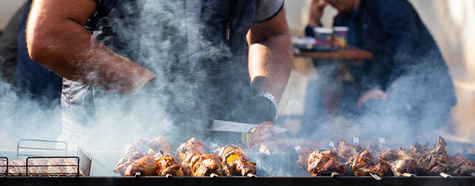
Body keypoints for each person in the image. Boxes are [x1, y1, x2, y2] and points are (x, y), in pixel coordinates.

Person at [26, 0, 292, 147]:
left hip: (217, 157)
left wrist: (266, 96)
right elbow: (49, 36)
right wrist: (149, 89)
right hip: (106, 150)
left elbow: (272, 33)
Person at [300, 0, 457, 141]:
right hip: (370, 91)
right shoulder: (342, 20)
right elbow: (329, 67)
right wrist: (314, 24)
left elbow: (405, 51)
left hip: (419, 98)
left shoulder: (389, 5)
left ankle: (377, 162)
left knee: (375, 108)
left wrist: (380, 87)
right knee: (318, 90)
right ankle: (305, 153)